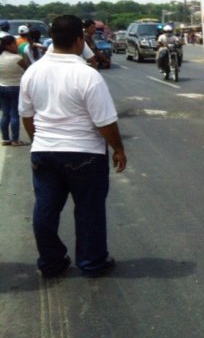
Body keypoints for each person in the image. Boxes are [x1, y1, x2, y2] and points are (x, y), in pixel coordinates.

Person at [19, 15, 127, 279]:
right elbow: (105, 121)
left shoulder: (33, 71)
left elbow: (26, 114)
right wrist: (118, 149)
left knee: (45, 209)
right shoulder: (87, 75)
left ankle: (51, 262)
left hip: (44, 152)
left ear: (52, 39)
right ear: (80, 40)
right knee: (89, 211)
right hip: (85, 153)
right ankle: (91, 262)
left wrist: (39, 142)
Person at [0, 35, 29, 147]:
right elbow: (27, 69)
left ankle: (5, 138)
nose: (16, 46)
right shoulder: (17, 58)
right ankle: (15, 140)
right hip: (15, 87)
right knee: (14, 114)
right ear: (8, 45)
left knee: (5, 114)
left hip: (2, 87)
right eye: (14, 44)